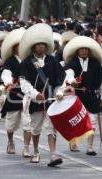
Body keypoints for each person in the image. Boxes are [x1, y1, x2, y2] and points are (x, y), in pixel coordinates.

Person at [18, 23, 67, 167]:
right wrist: (35, 94)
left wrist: (59, 92)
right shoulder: (27, 63)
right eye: (38, 45)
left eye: (43, 45)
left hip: (51, 99)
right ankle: (36, 151)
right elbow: (23, 82)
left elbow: (60, 79)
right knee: (36, 127)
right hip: (36, 100)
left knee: (51, 127)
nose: (41, 47)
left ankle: (53, 154)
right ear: (33, 47)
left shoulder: (52, 61)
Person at [63, 36, 102, 156]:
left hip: (91, 95)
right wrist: (72, 81)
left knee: (92, 121)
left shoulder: (95, 64)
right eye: (81, 49)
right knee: (75, 120)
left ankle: (90, 146)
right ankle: (74, 141)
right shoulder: (73, 63)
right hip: (76, 96)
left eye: (86, 49)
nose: (84, 51)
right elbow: (69, 73)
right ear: (77, 50)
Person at [0, 28, 32, 157]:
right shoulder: (10, 61)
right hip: (14, 94)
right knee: (11, 124)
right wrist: (8, 82)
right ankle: (10, 140)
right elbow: (6, 73)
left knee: (28, 122)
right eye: (19, 46)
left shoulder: (31, 60)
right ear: (14, 48)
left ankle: (26, 147)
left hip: (29, 94)